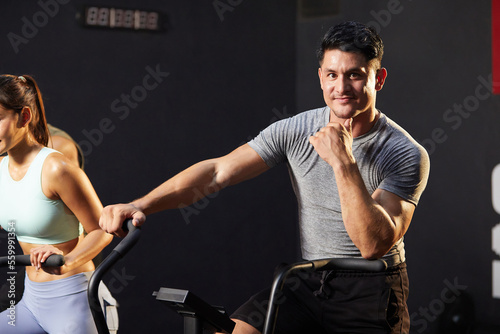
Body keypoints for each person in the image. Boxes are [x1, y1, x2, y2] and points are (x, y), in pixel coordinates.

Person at [99, 21, 430, 333]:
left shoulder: (404, 153)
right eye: (332, 74)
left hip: (371, 290)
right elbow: (217, 172)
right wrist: (139, 204)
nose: (341, 87)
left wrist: (343, 163)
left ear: (379, 78)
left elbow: (371, 245)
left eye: (355, 75)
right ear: (320, 78)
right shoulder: (295, 130)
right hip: (309, 281)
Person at [0, 74, 113, 333]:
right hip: (30, 301)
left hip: (73, 299)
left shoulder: (56, 168)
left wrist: (67, 260)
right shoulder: (0, 169)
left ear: (24, 117)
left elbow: (103, 231)